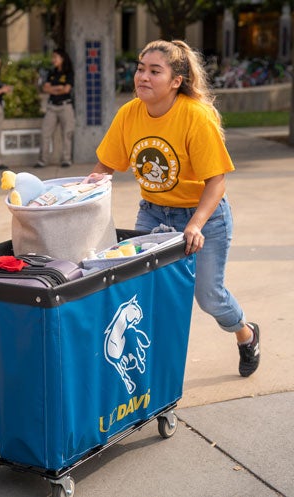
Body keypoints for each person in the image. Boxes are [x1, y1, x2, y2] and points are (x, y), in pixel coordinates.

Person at [89, 39, 260, 377]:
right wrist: (82, 190)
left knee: (209, 297)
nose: (143, 77)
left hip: (203, 218)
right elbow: (104, 167)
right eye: (140, 69)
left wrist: (195, 225)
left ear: (175, 81)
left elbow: (217, 181)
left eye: (155, 71)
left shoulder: (195, 117)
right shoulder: (129, 114)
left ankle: (246, 334)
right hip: (153, 212)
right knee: (141, 292)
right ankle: (149, 369)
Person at [34, 48, 75, 169]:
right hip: (52, 107)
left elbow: (67, 89)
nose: (53, 60)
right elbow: (45, 88)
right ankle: (42, 160)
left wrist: (54, 88)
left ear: (62, 58)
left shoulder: (68, 73)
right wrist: (58, 88)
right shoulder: (51, 73)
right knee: (45, 133)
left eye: (55, 57)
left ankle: (66, 159)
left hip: (65, 106)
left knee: (67, 133)